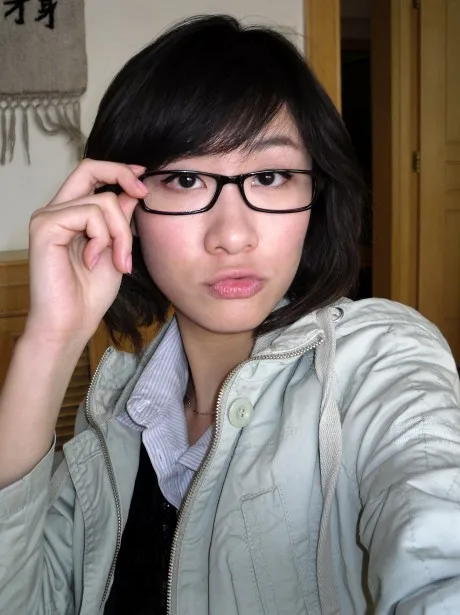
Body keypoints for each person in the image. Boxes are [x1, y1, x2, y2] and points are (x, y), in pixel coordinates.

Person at [0, 14, 459, 615]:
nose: (233, 235)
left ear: (315, 197)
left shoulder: (380, 359)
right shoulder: (115, 412)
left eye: (269, 176)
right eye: (186, 179)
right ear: (121, 206)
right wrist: (50, 340)